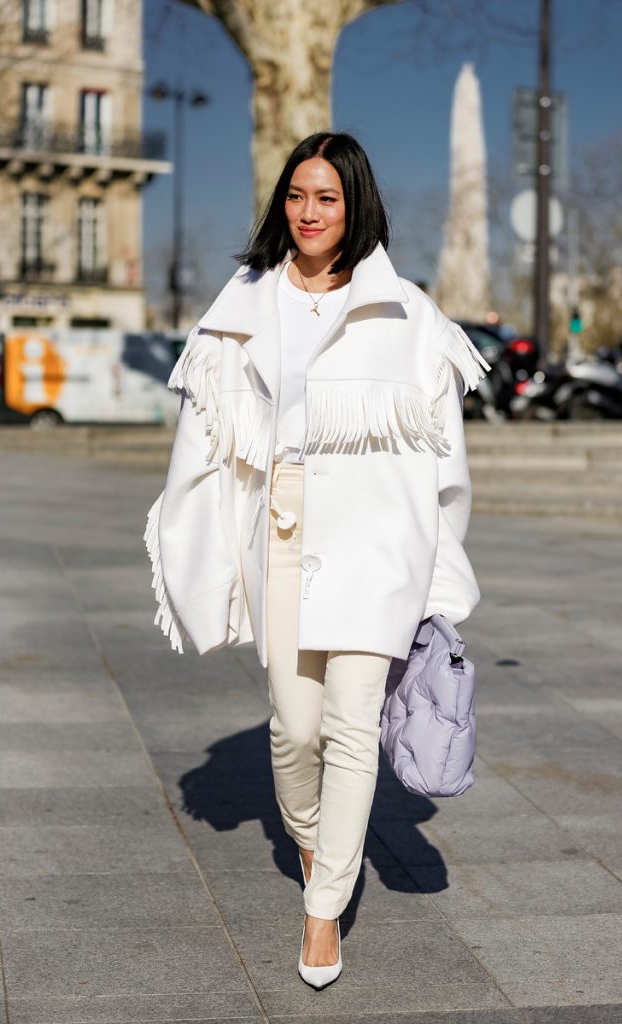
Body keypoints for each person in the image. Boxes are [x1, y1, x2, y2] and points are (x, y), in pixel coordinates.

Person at [144, 131, 488, 989]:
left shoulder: (406, 314)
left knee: (350, 726)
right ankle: (311, 839)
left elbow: (444, 460)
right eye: (296, 195)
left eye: (326, 197)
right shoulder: (244, 304)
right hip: (285, 530)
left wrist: (438, 574)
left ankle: (323, 908)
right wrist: (191, 543)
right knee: (293, 728)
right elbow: (204, 438)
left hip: (378, 539)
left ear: (353, 205)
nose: (308, 212)